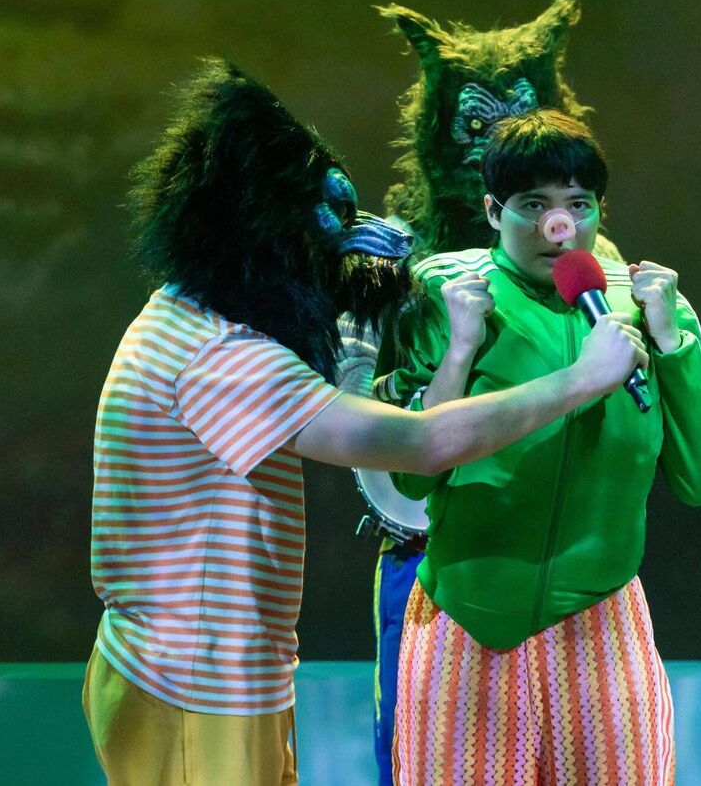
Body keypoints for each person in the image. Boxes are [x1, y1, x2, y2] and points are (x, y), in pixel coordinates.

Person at [84, 61, 648, 786]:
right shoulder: (221, 358)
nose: (368, 240)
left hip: (209, 674)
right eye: (331, 224)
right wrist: (580, 378)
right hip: (192, 681)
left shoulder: (186, 311)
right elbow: (418, 445)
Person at [381, 109, 701, 785]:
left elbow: (700, 478)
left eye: (578, 204)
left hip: (601, 621)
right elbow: (409, 478)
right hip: (467, 620)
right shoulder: (450, 296)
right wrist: (462, 345)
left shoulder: (650, 303)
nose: (560, 227)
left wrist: (668, 341)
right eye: (534, 205)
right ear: (493, 208)